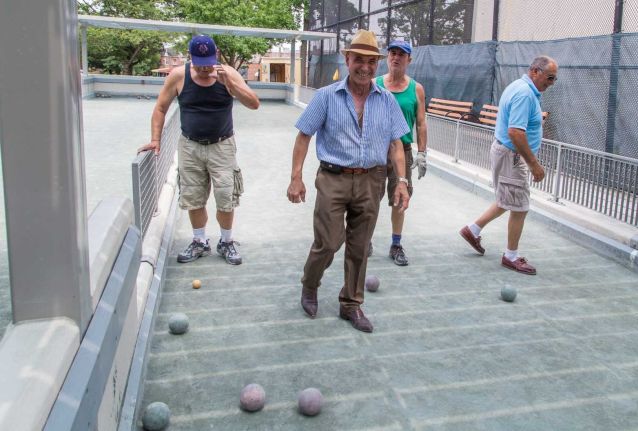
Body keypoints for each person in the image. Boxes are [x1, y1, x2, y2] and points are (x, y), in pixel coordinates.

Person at [287, 30, 411, 333]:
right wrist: (296, 177)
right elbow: (304, 136)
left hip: (372, 180)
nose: (365, 67)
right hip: (333, 178)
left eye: (371, 61)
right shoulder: (326, 96)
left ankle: (351, 304)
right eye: (359, 60)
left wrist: (402, 181)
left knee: (359, 246)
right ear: (347, 59)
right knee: (329, 242)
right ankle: (310, 285)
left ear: (377, 64)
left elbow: (396, 144)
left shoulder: (387, 101)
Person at [138, 35, 260, 265]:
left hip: (222, 147)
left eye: (208, 62)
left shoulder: (229, 74)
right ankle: (200, 241)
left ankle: (225, 241)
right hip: (190, 146)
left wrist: (230, 85)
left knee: (225, 196)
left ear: (217, 54)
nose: (204, 69)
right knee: (193, 197)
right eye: (199, 63)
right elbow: (160, 108)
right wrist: (155, 139)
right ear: (189, 56)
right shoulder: (178, 76)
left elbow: (254, 103)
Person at [459, 56, 558, 275]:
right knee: (520, 206)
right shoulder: (524, 94)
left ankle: (472, 230)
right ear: (535, 71)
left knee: (506, 199)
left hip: (506, 153)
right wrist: (534, 165)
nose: (551, 83)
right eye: (549, 77)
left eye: (554, 79)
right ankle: (511, 256)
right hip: (512, 155)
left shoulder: (521, 87)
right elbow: (515, 132)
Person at [370, 40, 427, 266]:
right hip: (376, 151)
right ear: (387, 57)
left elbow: (421, 123)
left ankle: (396, 244)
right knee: (370, 198)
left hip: (402, 152)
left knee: (400, 198)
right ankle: (365, 240)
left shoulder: (416, 89)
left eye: (401, 55)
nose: (396, 57)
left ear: (409, 60)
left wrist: (422, 152)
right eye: (392, 53)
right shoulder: (374, 84)